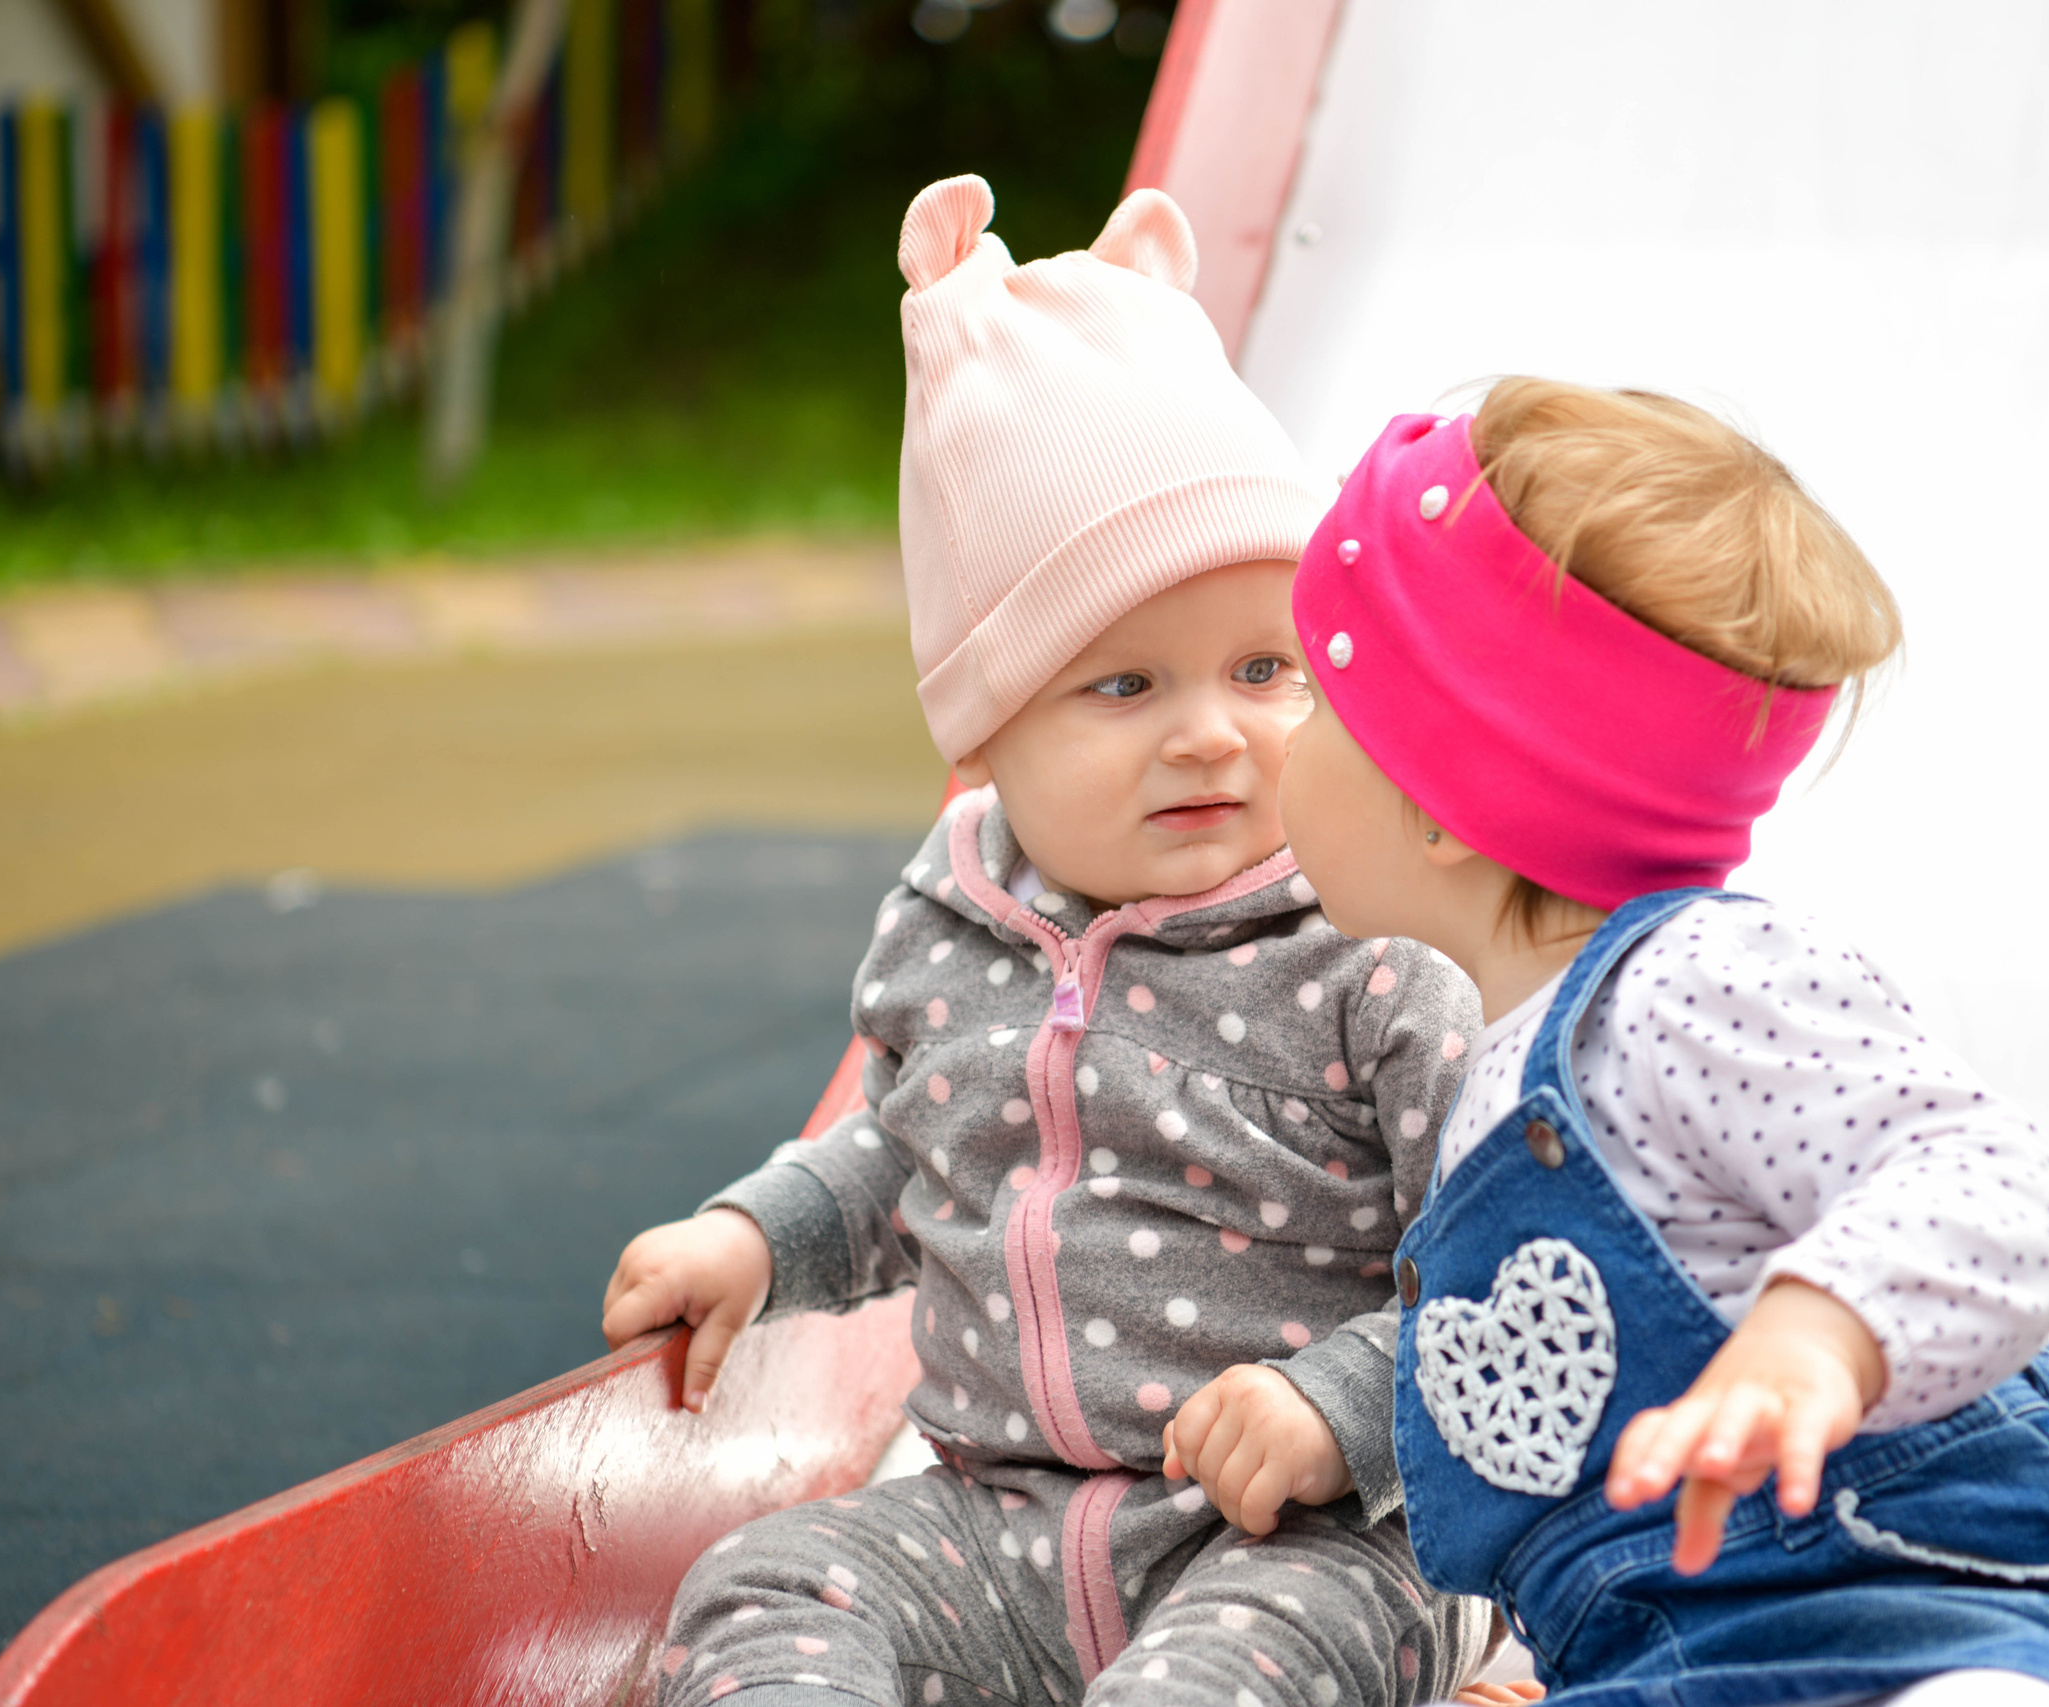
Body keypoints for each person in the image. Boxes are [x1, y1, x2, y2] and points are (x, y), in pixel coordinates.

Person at [600, 176, 1510, 1707]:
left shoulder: (1372, 949)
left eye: (1262, 666)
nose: (1211, 735)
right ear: (987, 729)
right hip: (1000, 1526)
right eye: (1124, 688)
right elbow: (912, 1152)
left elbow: (1500, 1271)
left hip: (1306, 1535)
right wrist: (755, 1236)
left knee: (1228, 1676)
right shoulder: (952, 915)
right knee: (759, 1585)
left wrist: (1338, 1407)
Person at [1274, 381, 2049, 1707]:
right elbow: (1585, 1462)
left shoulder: (1692, 983)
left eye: (1316, 703)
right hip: (1677, 1656)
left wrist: (1815, 1340)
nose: (1279, 743)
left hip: (1908, 1600)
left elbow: (1998, 1189)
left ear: (1441, 794)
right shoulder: (1502, 1075)